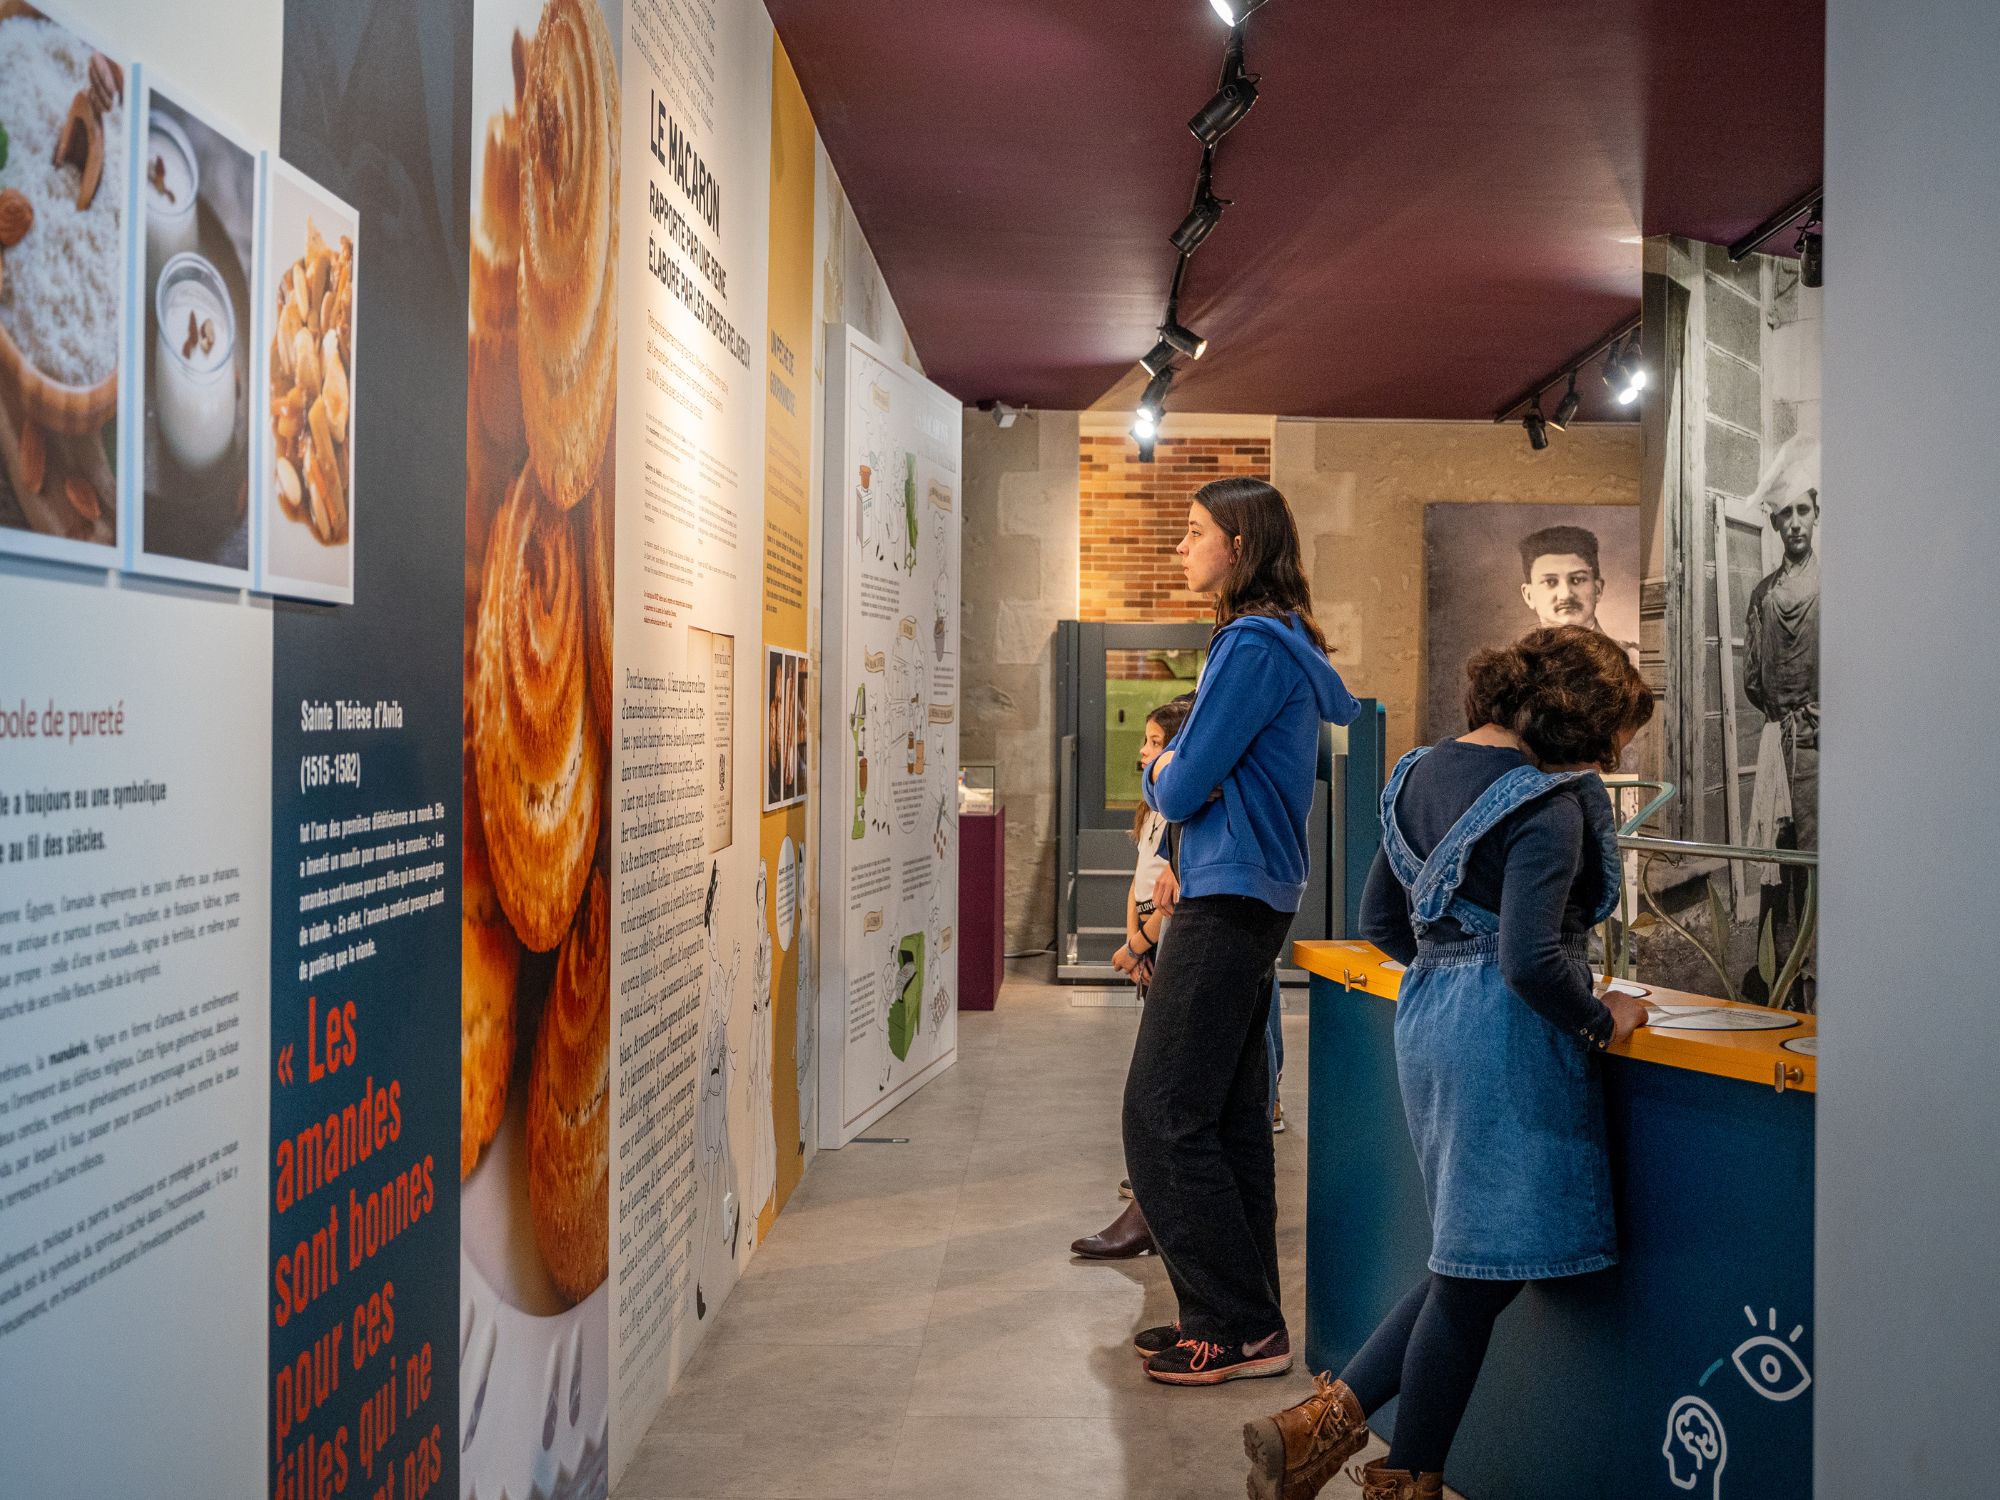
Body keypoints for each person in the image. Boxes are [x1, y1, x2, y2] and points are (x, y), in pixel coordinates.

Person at [1244, 626, 1653, 1500]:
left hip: (1430, 1025)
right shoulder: (1545, 806)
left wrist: (1450, 968)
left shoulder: (1414, 776)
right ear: (1579, 719)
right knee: (1475, 1277)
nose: (1607, 760)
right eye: (1610, 739)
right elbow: (1531, 961)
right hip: (1508, 1041)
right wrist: (1600, 1019)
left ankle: (1318, 1429)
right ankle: (1403, 1478)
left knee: (1471, 1260)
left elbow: (1380, 923)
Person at [1123, 477, 1361, 1387]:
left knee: (1159, 1115)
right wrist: (1189, 769)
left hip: (1228, 896)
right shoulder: (1274, 641)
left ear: (1240, 545)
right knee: (1225, 1118)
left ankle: (1232, 1323)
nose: (1181, 548)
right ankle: (1240, 1320)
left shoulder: (1252, 645)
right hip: (1247, 889)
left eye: (1195, 533)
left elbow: (1183, 785)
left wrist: (1159, 768)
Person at [1071, 694, 1193, 1261]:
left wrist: (1138, 945)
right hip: (1148, 936)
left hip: (1169, 937)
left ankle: (1154, 1205)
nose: (1144, 752)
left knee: (1164, 1085)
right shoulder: (1151, 811)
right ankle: (1153, 1192)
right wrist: (1133, 939)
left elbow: (1175, 895)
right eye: (1145, 742)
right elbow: (1140, 881)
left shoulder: (1184, 813)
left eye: (1156, 743)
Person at [1518, 524, 1639, 665]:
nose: (1565, 595)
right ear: (1529, 595)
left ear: (1598, 589)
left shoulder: (1633, 660)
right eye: (1550, 582)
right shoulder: (1514, 668)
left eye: (1577, 580)